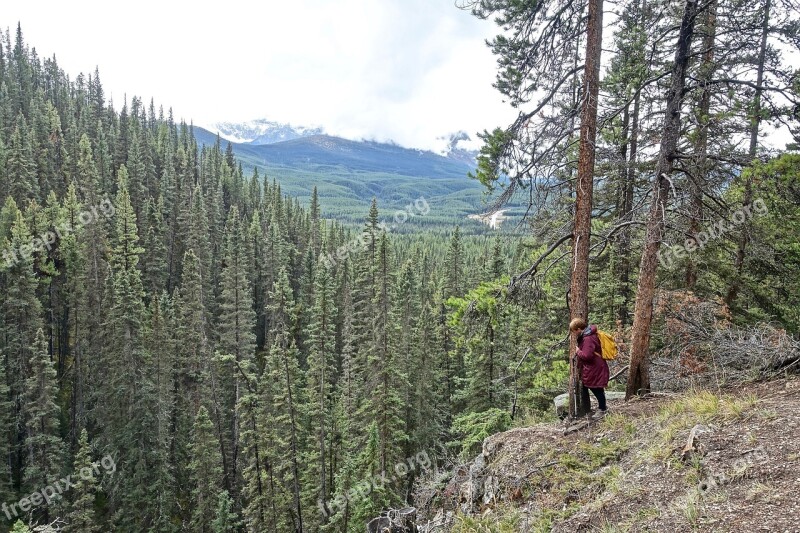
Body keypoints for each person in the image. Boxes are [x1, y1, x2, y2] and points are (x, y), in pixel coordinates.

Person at [570, 317, 610, 418]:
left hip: (595, 367)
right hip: (595, 366)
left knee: (595, 387)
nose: (574, 333)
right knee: (595, 387)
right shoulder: (588, 334)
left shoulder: (588, 338)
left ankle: (602, 409)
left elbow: (588, 356)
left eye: (574, 331)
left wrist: (578, 351)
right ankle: (602, 407)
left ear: (578, 329)